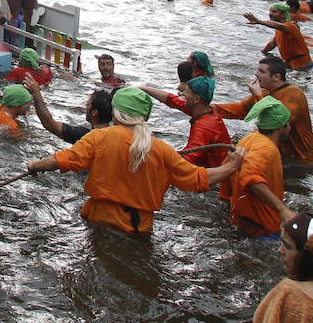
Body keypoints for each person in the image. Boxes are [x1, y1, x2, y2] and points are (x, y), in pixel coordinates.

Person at [24, 87, 242, 235]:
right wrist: (232, 166)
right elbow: (198, 178)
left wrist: (35, 165)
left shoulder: (99, 137)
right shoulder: (161, 149)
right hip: (140, 228)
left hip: (101, 221)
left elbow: (62, 160)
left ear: (117, 113)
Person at [214, 57, 313, 164]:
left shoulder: (294, 94)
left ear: (276, 77)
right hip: (280, 153)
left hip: (301, 159)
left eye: (261, 71)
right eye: (257, 70)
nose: (256, 74)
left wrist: (258, 96)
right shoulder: (265, 91)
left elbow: (276, 123)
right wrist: (209, 108)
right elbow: (241, 109)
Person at [221, 97, 295, 237]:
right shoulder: (267, 149)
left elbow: (227, 167)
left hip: (241, 221)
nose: (290, 128)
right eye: (288, 124)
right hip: (263, 229)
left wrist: (227, 202)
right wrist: (282, 210)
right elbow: (249, 176)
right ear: (280, 127)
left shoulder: (249, 138)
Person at [140, 75, 232, 168]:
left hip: (217, 172)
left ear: (196, 99)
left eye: (187, 92)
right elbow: (171, 99)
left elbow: (187, 161)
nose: (183, 93)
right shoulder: (206, 110)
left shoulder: (202, 128)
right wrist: (143, 88)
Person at [24, 74, 114, 144]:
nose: (85, 107)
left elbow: (49, 124)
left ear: (94, 112)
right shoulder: (115, 135)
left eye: (88, 104)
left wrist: (36, 93)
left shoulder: (86, 136)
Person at [245, 3, 312, 71]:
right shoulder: (279, 30)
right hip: (290, 65)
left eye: (274, 11)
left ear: (283, 14)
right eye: (270, 11)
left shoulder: (290, 26)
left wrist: (259, 22)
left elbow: (279, 26)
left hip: (303, 65)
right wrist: (262, 53)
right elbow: (272, 43)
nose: (270, 14)